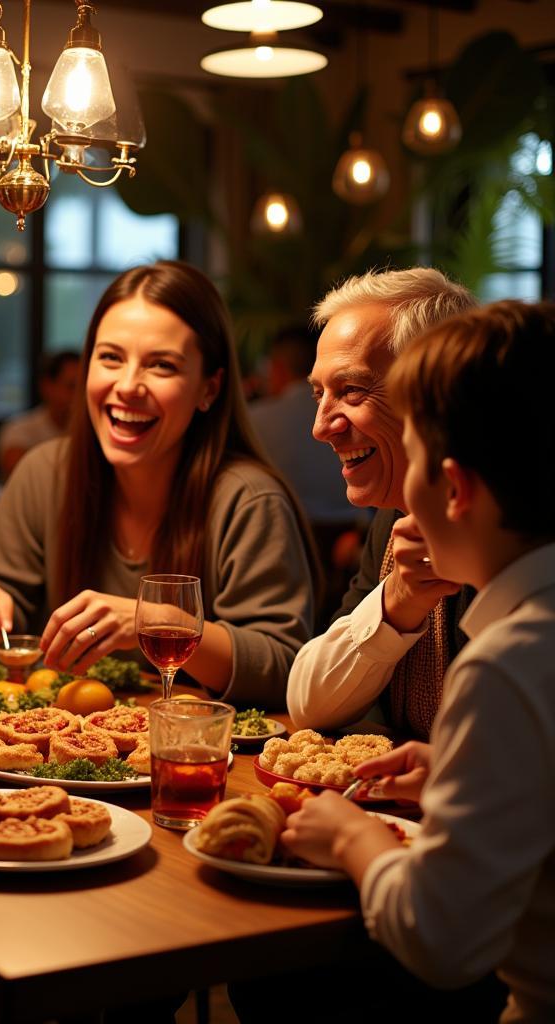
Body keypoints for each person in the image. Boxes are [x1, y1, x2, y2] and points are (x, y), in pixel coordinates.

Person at [281, 300, 555, 1023]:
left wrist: (350, 835)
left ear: (456, 487)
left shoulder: (509, 657)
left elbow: (443, 940)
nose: (321, 425)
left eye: (426, 449)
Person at [0, 261, 316, 706]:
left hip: (198, 757)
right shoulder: (46, 471)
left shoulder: (247, 499)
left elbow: (283, 667)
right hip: (60, 752)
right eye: (110, 358)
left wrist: (156, 621)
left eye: (161, 365)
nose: (128, 386)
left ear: (208, 389)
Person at [287, 268, 477, 738]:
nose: (320, 426)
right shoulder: (396, 517)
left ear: (439, 391)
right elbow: (309, 704)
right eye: (319, 393)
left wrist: (449, 773)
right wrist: (398, 601)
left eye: (351, 390)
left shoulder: (510, 527)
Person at [249, 323, 356, 526]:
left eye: (352, 390)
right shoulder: (349, 415)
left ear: (278, 367)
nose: (319, 430)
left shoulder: (256, 419)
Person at [0, 350, 80, 480]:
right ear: (47, 386)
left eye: (84, 388)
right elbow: (18, 469)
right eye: (72, 387)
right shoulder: (20, 430)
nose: (80, 396)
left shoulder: (91, 433)